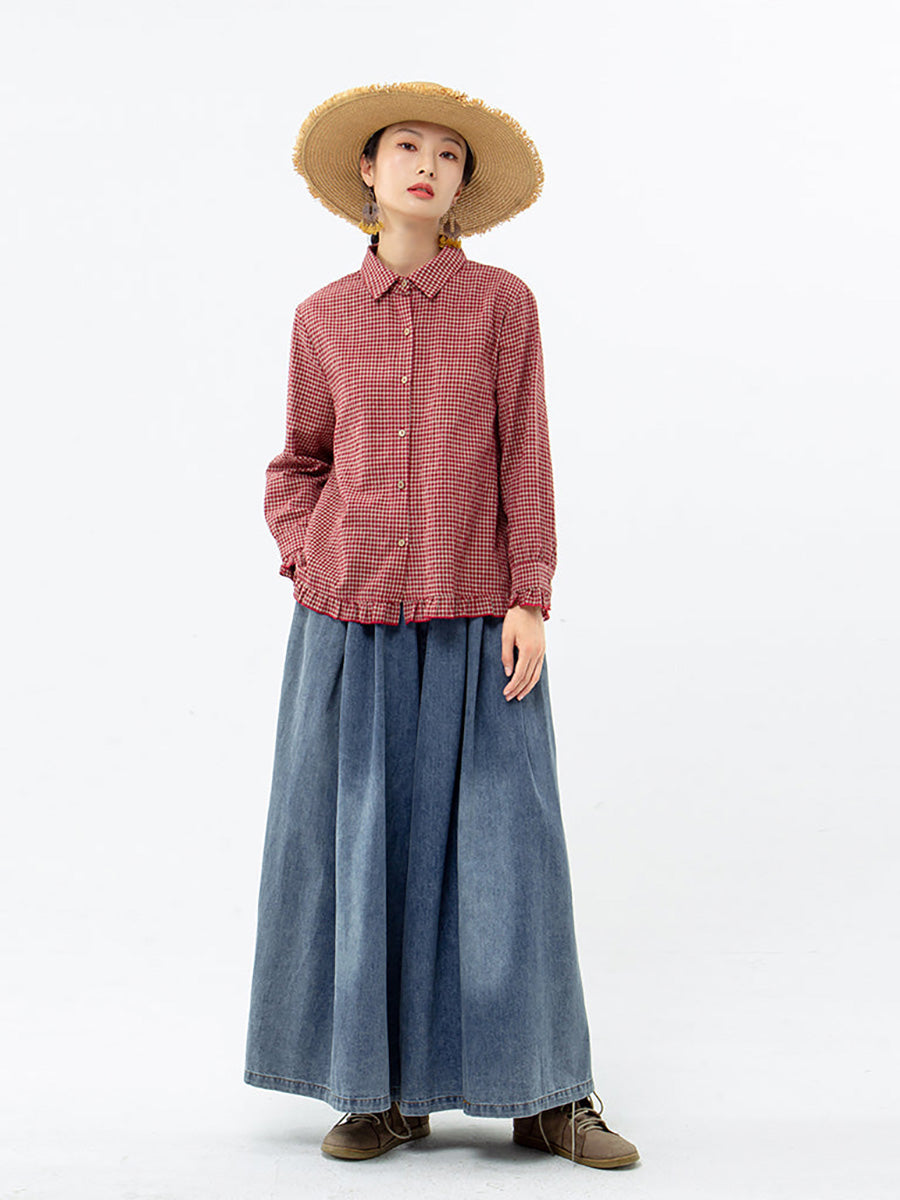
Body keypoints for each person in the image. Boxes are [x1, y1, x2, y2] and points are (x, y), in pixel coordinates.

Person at [243, 80, 640, 1171]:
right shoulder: (322, 318)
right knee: (360, 850)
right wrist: (307, 555)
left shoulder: (503, 305)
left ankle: (548, 1098)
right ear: (367, 172)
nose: (427, 166)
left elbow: (526, 455)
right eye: (406, 147)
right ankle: (378, 1094)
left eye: (449, 155)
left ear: (463, 186)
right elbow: (299, 463)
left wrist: (531, 594)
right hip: (350, 617)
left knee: (510, 852)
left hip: (479, 613)